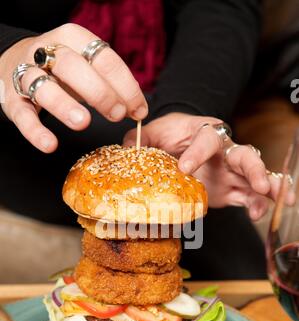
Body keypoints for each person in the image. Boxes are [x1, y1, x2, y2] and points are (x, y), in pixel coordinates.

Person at [0, 0, 295, 282]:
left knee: (224, 235)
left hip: (168, 91)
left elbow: (221, 6)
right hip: (24, 123)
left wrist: (185, 109)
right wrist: (9, 49)